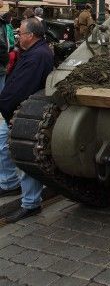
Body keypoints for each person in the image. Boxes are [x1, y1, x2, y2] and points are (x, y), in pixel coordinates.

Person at [0, 17, 54, 222]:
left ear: (30, 36)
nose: (17, 36)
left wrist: (8, 106)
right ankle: (9, 184)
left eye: (20, 33)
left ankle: (31, 204)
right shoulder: (33, 52)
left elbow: (22, 88)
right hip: (16, 111)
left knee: (24, 155)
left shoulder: (37, 56)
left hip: (23, 113)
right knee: (4, 146)